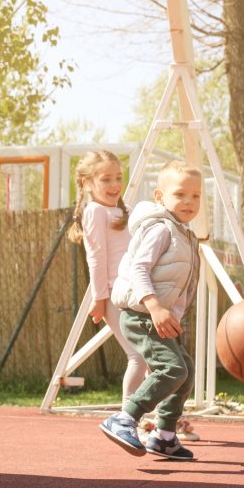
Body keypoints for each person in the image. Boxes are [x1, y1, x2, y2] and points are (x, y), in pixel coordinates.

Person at [99, 160, 203, 461]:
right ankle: (125, 417)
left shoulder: (184, 234)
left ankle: (165, 437)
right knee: (173, 369)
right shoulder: (160, 229)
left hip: (161, 317)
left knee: (186, 371)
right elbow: (139, 269)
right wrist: (155, 306)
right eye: (180, 194)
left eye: (196, 196)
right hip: (143, 314)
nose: (188, 201)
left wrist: (169, 313)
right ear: (160, 197)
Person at [67, 151, 149, 403]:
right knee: (138, 355)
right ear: (87, 183)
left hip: (136, 294)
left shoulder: (128, 211)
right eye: (106, 179)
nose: (114, 185)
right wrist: (99, 298)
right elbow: (96, 257)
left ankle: (157, 417)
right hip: (115, 296)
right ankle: (128, 417)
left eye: (118, 178)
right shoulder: (95, 212)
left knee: (153, 358)